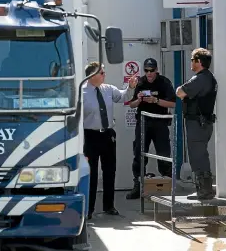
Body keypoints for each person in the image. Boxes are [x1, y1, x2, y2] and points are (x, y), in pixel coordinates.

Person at [83, 61, 137, 219]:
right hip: (90, 135)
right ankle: (89, 209)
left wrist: (131, 87)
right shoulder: (81, 92)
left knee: (109, 171)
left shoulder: (108, 89)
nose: (104, 75)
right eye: (101, 73)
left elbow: (123, 97)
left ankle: (109, 206)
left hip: (107, 134)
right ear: (92, 75)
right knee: (91, 173)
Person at [126, 58, 176, 200]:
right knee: (139, 154)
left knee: (163, 153)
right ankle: (138, 185)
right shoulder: (140, 82)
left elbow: (172, 103)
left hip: (160, 122)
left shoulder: (164, 82)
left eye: (151, 70)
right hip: (143, 122)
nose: (149, 73)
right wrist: (140, 99)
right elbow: (132, 104)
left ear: (156, 70)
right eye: (146, 70)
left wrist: (156, 101)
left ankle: (167, 184)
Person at [176, 48, 217, 200]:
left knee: (198, 156)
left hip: (197, 124)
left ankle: (205, 191)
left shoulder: (200, 79)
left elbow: (180, 92)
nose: (191, 63)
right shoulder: (207, 78)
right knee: (199, 155)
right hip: (202, 123)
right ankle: (203, 190)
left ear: (199, 62)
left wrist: (180, 91)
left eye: (192, 60)